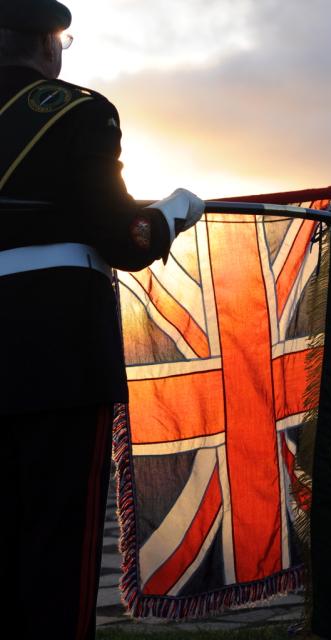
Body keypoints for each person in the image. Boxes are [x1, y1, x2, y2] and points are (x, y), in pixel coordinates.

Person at [0, 1, 204, 638]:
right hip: (53, 355)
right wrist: (172, 212)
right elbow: (126, 236)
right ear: (46, 44)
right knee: (57, 540)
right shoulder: (77, 112)